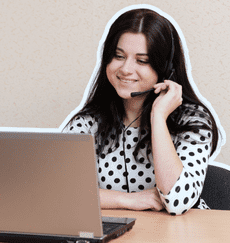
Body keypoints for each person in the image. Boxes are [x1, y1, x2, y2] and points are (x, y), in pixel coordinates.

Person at [63, 8, 221, 215]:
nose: (126, 69)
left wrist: (158, 118)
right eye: (118, 56)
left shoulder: (193, 121)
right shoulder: (88, 123)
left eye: (142, 61)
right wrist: (130, 200)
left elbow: (177, 201)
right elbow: (62, 194)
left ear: (165, 69)